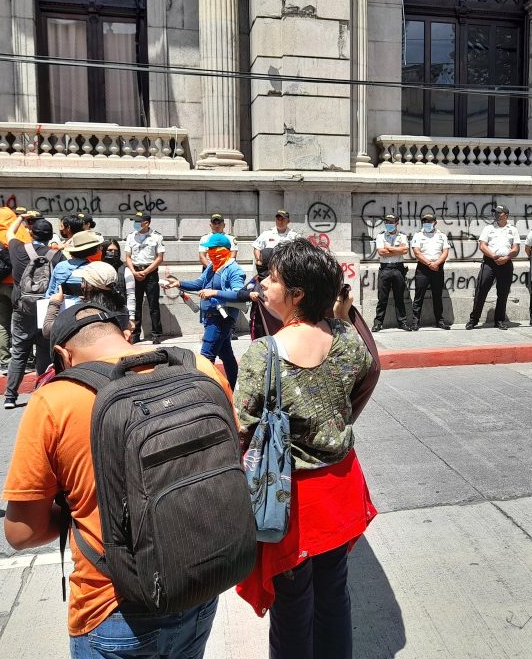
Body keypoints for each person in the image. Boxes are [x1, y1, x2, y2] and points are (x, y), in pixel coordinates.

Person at [2, 303, 232, 659]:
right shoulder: (199, 367)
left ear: (62, 354)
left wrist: (85, 506)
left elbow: (21, 532)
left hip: (113, 605)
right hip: (199, 583)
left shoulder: (54, 400)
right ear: (127, 336)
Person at [234, 238, 375, 659]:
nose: (263, 284)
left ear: (296, 294)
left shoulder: (265, 352)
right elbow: (369, 371)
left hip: (291, 500)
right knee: (334, 594)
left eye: (272, 279)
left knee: (292, 606)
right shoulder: (347, 338)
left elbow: (241, 427)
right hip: (342, 487)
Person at [164, 233, 245, 389]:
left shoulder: (234, 269)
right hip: (211, 317)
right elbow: (199, 283)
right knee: (226, 355)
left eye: (214, 249)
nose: (210, 252)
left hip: (221, 319)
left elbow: (239, 294)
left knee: (206, 357)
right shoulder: (212, 266)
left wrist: (214, 293)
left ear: (226, 250)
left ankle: (205, 391)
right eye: (209, 249)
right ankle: (232, 389)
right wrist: (178, 283)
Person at [3, 215, 64, 410]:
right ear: (50, 236)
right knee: (44, 352)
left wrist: (20, 217)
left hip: (22, 309)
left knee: (19, 353)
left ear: (31, 232)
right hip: (45, 310)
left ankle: (10, 397)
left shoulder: (18, 249)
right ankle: (41, 392)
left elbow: (10, 232)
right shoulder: (56, 255)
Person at [43, 261, 133, 341]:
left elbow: (48, 330)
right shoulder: (122, 310)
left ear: (89, 286)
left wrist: (54, 303)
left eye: (83, 281)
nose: (81, 285)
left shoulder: (82, 313)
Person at [466, 205, 520, 330]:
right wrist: (494, 257)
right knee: (481, 291)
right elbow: (482, 246)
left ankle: (499, 320)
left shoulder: (513, 229)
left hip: (506, 263)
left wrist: (506, 258)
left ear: (506, 215)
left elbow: (516, 248)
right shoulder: (488, 228)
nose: (496, 215)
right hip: (490, 263)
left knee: (503, 293)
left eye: (499, 213)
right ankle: (474, 319)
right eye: (495, 212)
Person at [124, 211, 165, 344]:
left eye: (138, 221)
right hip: (134, 272)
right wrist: (133, 271)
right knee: (135, 304)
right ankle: (135, 333)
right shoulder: (131, 237)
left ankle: (156, 334)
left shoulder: (156, 237)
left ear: (146, 223)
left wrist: (146, 272)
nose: (135, 224)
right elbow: (128, 257)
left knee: (153, 304)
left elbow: (159, 258)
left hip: (150, 273)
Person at [409, 212, 451, 330]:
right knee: (419, 296)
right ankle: (415, 322)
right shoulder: (418, 235)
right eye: (425, 221)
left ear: (435, 222)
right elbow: (417, 252)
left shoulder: (442, 235)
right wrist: (429, 263)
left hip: (438, 268)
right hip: (423, 268)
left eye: (429, 221)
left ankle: (440, 321)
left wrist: (436, 264)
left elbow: (445, 252)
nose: (427, 223)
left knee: (437, 295)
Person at [0, 207, 19, 371]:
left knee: (2, 323)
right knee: (21, 321)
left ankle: (4, 362)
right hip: (13, 284)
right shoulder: (14, 235)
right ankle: (27, 358)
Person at [372, 214, 411, 332]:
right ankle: (378, 323)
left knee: (399, 297)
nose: (388, 224)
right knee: (382, 298)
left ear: (397, 223)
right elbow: (381, 252)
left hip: (399, 268)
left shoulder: (402, 236)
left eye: (391, 222)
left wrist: (389, 248)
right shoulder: (380, 236)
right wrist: (397, 250)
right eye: (387, 222)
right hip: (385, 268)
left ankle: (402, 322)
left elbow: (405, 250)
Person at [46, 231, 101, 300]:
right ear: (94, 250)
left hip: (59, 306)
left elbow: (50, 292)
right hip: (83, 308)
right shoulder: (95, 269)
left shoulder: (60, 266)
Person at [100, 239, 136, 325]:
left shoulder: (125, 270)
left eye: (116, 251)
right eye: (110, 250)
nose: (113, 253)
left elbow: (131, 295)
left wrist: (131, 317)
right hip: (102, 313)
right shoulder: (98, 268)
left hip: (120, 313)